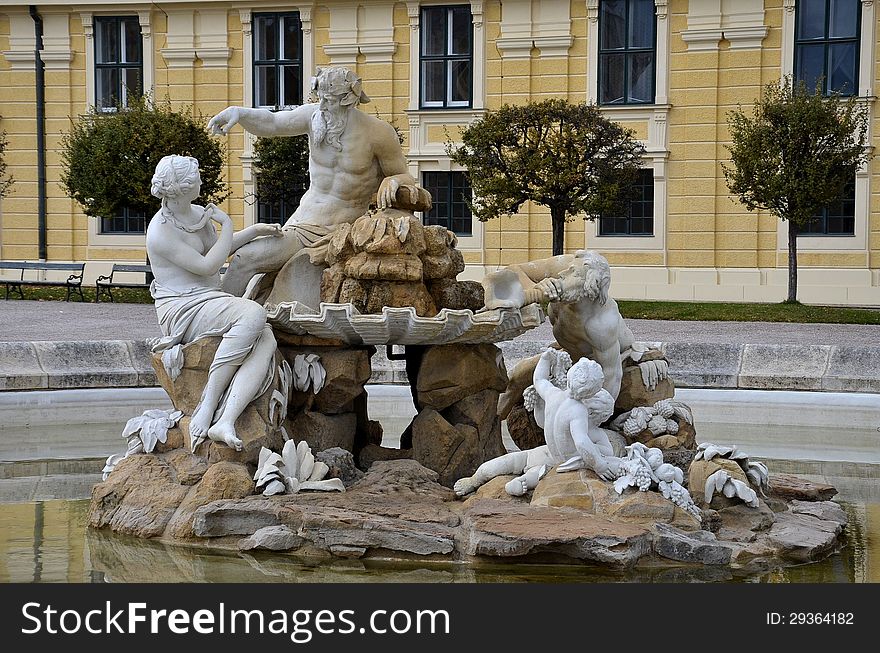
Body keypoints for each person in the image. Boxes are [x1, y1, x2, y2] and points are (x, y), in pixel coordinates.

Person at [207, 66, 426, 303]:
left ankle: (224, 323)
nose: (322, 106)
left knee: (249, 261)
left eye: (329, 100)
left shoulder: (378, 133)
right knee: (244, 260)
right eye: (320, 98)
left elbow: (405, 175)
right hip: (303, 224)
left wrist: (393, 180)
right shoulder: (314, 118)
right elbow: (272, 123)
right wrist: (239, 113)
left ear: (348, 100)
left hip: (341, 229)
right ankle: (216, 322)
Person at [146, 154, 283, 452]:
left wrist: (253, 232)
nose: (201, 181)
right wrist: (229, 224)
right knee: (253, 314)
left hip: (209, 298)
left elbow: (216, 249)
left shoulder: (196, 213)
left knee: (266, 336)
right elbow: (209, 265)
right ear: (181, 188)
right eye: (195, 179)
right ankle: (208, 405)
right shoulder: (160, 231)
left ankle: (226, 419)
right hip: (184, 307)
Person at [454, 349, 619, 497]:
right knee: (541, 472)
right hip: (560, 461)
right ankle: (523, 480)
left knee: (512, 461)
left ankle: (475, 479)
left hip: (546, 452)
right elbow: (582, 442)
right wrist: (601, 465)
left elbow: (539, 379)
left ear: (570, 377)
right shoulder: (579, 411)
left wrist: (545, 359)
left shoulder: (554, 394)